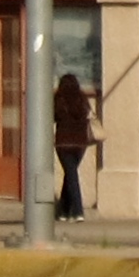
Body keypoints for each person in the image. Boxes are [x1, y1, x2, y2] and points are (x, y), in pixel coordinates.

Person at [52, 72, 93, 220]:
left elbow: (53, 117)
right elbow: (87, 114)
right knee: (70, 174)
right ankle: (63, 211)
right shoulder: (82, 98)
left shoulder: (58, 99)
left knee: (71, 175)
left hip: (63, 143)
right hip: (80, 143)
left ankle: (77, 211)